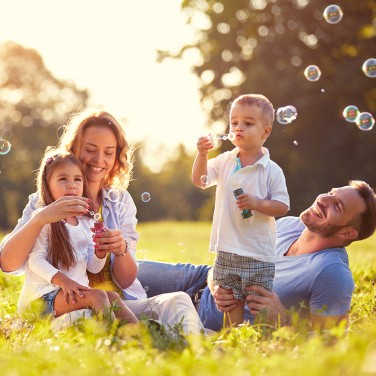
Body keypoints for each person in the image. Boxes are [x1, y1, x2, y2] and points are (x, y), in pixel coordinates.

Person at [0, 108, 203, 335]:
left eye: (109, 152)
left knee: (177, 301)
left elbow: (124, 280)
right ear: (74, 149)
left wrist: (119, 249)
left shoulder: (119, 201)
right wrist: (39, 218)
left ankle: (199, 347)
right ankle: (134, 340)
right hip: (66, 306)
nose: (99, 160)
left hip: (118, 303)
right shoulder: (45, 201)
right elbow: (8, 264)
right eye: (90, 150)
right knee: (88, 320)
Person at [136, 180, 376, 331]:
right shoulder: (289, 225)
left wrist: (284, 319)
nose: (323, 199)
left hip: (205, 316)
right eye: (331, 193)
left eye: (338, 206)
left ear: (348, 232)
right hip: (199, 279)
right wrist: (216, 280)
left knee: (121, 309)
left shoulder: (331, 272)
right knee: (121, 269)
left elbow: (331, 345)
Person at [192, 94, 289, 326]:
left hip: (257, 251)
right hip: (227, 247)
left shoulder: (271, 170)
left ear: (265, 132)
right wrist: (202, 154)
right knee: (230, 300)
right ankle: (234, 338)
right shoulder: (225, 161)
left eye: (248, 123)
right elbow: (200, 180)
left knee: (258, 302)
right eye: (234, 122)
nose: (238, 128)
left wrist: (257, 203)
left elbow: (282, 206)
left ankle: (265, 339)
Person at [18, 151, 138, 323]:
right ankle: (113, 340)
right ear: (47, 184)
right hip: (42, 298)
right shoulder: (43, 218)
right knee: (97, 296)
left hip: (71, 293)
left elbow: (93, 268)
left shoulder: (85, 222)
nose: (72, 185)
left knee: (112, 297)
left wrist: (99, 252)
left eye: (77, 179)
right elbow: (35, 260)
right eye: (63, 179)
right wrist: (65, 282)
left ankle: (139, 336)